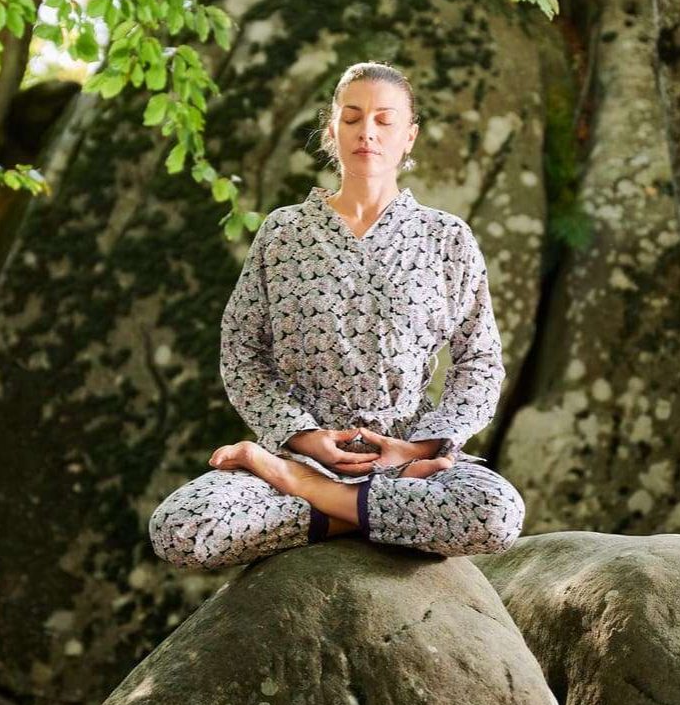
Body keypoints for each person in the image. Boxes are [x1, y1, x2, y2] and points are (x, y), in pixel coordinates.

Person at [148, 61, 525, 570]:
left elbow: (479, 360)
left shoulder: (447, 238)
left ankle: (313, 498)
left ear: (409, 136)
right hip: (299, 448)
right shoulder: (284, 233)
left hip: (404, 456)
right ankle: (343, 503)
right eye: (352, 118)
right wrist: (301, 439)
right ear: (331, 129)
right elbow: (242, 350)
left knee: (497, 513)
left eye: (384, 120)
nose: (367, 131)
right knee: (182, 529)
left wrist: (419, 447)